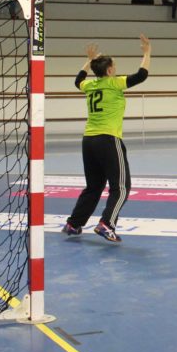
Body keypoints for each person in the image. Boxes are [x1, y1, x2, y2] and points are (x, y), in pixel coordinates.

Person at [62, 37, 151, 242]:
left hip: (88, 141)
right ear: (110, 71)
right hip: (109, 139)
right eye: (115, 67)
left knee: (94, 186)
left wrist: (89, 60)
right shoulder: (115, 83)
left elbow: (77, 80)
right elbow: (141, 75)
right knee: (121, 187)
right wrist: (147, 53)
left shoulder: (90, 85)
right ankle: (107, 224)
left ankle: (73, 224)